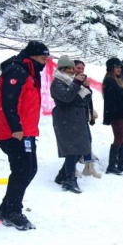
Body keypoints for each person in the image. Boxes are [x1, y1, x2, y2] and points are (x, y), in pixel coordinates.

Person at [0, 41, 48, 230]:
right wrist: (16, 127)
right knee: (22, 170)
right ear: (32, 57)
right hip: (14, 132)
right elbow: (9, 101)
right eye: (43, 58)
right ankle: (12, 212)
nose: (45, 62)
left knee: (29, 169)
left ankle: (6, 208)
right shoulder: (17, 70)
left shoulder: (30, 72)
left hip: (27, 132)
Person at [50, 55, 92, 194]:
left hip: (77, 119)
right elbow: (66, 97)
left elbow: (83, 100)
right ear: (61, 69)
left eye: (71, 68)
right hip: (65, 119)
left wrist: (86, 87)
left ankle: (62, 175)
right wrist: (76, 83)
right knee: (72, 150)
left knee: (81, 149)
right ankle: (70, 179)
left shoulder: (72, 82)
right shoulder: (57, 83)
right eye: (67, 68)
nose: (71, 71)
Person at [102, 58, 123, 176]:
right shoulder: (109, 81)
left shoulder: (121, 80)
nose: (119, 69)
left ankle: (121, 163)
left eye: (120, 67)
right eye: (117, 67)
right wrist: (122, 110)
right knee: (119, 137)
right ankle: (111, 165)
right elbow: (114, 99)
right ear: (111, 68)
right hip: (116, 114)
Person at [73, 59, 101, 178]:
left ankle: (89, 166)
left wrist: (91, 110)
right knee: (75, 143)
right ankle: (71, 168)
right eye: (78, 68)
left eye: (82, 69)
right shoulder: (71, 81)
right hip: (73, 116)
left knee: (88, 140)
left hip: (83, 115)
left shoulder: (83, 81)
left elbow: (87, 99)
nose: (80, 71)